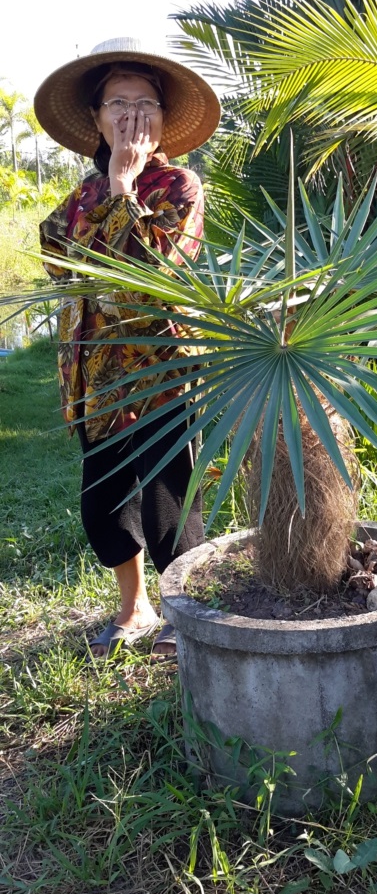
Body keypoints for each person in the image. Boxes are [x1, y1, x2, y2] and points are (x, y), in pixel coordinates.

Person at [34, 37, 220, 659]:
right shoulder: (76, 198)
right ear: (96, 118)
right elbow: (62, 264)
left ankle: (184, 616)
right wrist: (109, 187)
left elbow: (154, 274)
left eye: (145, 104)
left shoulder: (180, 187)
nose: (132, 117)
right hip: (94, 381)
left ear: (164, 121)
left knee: (170, 504)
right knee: (105, 507)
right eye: (118, 104)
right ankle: (133, 607)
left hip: (161, 374)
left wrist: (124, 188)